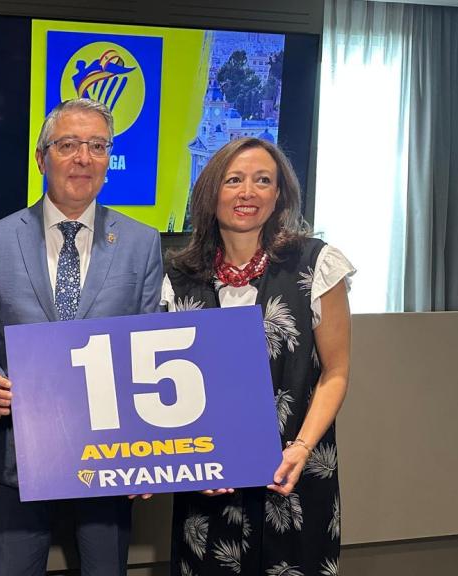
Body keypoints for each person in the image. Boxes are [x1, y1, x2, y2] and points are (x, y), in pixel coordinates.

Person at [0, 98, 162, 576]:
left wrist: (157, 446)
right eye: (69, 144)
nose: (84, 158)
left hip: (110, 455)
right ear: (41, 157)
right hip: (19, 450)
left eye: (98, 146)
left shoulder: (142, 242)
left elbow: (149, 348)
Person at [163, 137, 353, 576]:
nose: (248, 192)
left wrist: (302, 448)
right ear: (210, 193)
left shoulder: (316, 264)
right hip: (206, 485)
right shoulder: (177, 277)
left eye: (262, 181)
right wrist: (190, 463)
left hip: (295, 475)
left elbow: (336, 373)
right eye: (234, 180)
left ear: (279, 196)